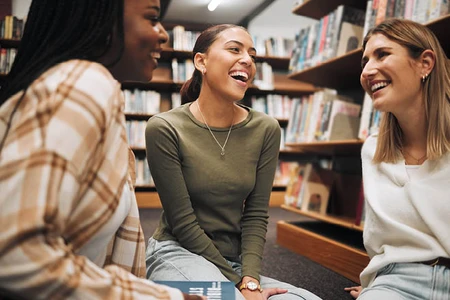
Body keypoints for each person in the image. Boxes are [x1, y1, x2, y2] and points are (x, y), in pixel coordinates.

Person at [0, 0, 203, 299]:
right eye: (152, 18)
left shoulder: (76, 87)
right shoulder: (83, 84)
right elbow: (15, 253)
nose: (163, 34)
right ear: (99, 19)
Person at [144, 24, 322, 300]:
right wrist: (240, 286)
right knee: (225, 298)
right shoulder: (164, 127)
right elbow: (183, 223)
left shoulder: (266, 128)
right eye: (234, 49)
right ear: (201, 61)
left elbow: (256, 214)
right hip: (176, 251)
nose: (248, 60)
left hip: (233, 260)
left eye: (252, 54)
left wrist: (249, 279)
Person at [345, 18, 450, 299]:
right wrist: (376, 289)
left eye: (382, 54)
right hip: (397, 280)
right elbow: (381, 241)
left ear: (425, 63)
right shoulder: (373, 151)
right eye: (365, 61)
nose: (367, 71)